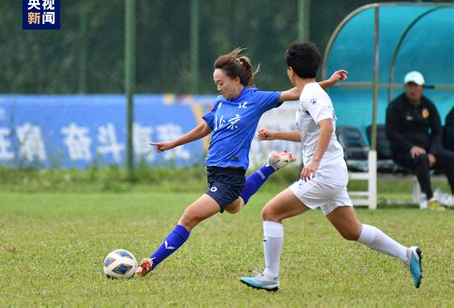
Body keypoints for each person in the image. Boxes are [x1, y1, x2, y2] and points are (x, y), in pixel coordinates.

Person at [136, 48, 347, 277]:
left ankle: (152, 261)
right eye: (216, 84)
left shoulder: (256, 99)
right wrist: (173, 143)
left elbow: (297, 92)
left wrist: (327, 82)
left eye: (222, 83)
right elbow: (205, 127)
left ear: (236, 80)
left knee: (189, 217)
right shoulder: (220, 102)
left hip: (230, 176)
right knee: (234, 206)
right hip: (214, 173)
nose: (219, 88)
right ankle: (270, 166)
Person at [239, 41, 423, 291]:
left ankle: (270, 276)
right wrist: (275, 134)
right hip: (332, 173)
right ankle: (407, 254)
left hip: (323, 174)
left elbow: (327, 126)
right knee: (351, 231)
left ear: (290, 70)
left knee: (271, 212)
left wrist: (314, 161)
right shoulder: (311, 93)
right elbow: (312, 133)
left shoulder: (312, 94)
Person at [386, 71, 454, 210]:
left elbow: (437, 131)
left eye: (416, 86)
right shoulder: (395, 106)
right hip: (403, 153)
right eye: (410, 86)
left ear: (422, 87)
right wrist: (410, 147)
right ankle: (430, 199)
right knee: (421, 157)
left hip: (427, 151)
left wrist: (433, 152)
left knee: (450, 158)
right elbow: (391, 132)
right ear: (405, 87)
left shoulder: (428, 105)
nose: (413, 89)